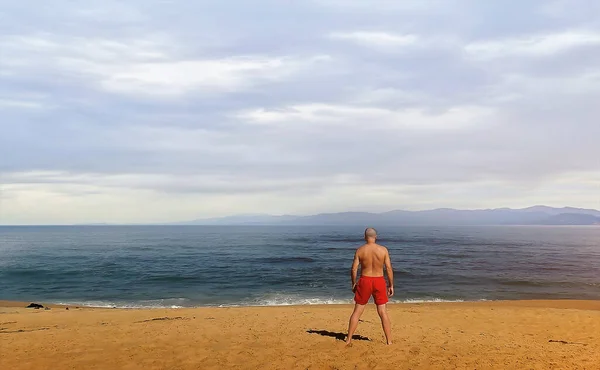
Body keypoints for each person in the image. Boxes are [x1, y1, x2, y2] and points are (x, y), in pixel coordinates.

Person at [345, 227, 394, 346]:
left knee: (357, 312)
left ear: (365, 237)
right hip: (379, 281)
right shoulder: (383, 250)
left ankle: (349, 339)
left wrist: (353, 283)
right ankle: (389, 341)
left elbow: (354, 269)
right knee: (383, 312)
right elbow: (388, 268)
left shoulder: (360, 250)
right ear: (376, 236)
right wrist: (391, 285)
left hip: (365, 280)